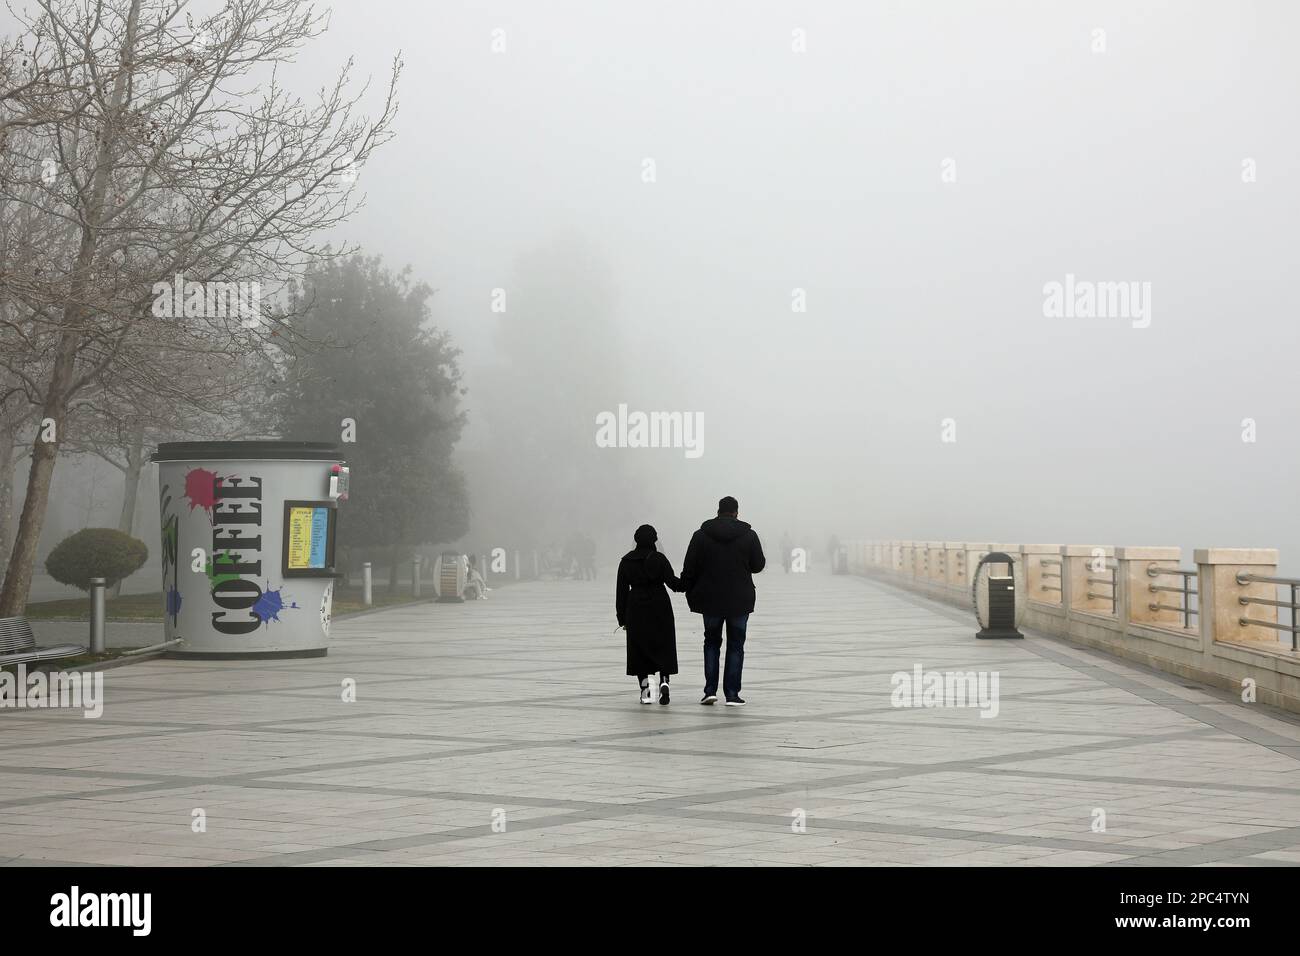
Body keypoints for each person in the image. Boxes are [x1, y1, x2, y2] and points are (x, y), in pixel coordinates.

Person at [681, 496, 765, 706]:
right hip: (739, 599)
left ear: (718, 511)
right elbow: (758, 565)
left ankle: (710, 691)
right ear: (736, 512)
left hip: (710, 599)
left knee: (711, 642)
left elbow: (689, 567)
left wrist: (685, 589)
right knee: (736, 645)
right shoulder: (749, 535)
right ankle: (732, 694)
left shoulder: (700, 535)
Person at [615, 524, 682, 705]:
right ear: (654, 540)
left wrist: (622, 618)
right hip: (660, 604)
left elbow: (621, 592)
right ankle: (664, 682)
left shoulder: (626, 561)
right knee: (663, 646)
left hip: (636, 607)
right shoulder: (659, 559)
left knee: (639, 650)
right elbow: (674, 584)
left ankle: (646, 690)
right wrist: (691, 581)